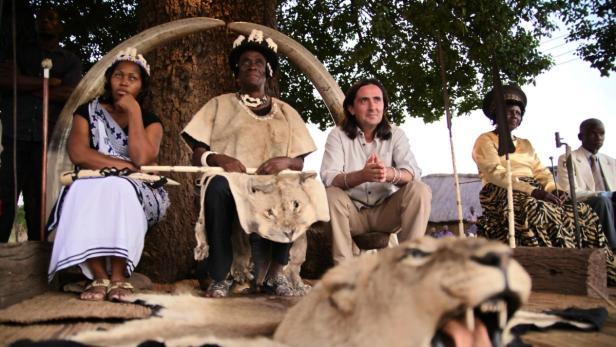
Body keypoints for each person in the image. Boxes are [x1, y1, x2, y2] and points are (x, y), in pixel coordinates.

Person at [181, 30, 319, 298]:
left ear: (268, 72)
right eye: (245, 62)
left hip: (274, 182)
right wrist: (219, 159)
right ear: (237, 73)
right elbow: (197, 154)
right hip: (232, 182)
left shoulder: (287, 112)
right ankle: (220, 277)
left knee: (294, 188)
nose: (252, 65)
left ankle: (277, 274)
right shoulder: (218, 105)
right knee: (217, 186)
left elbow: (299, 163)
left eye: (258, 61)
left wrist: (285, 161)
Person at [47, 48, 170, 301]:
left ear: (142, 86)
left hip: (138, 187)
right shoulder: (87, 112)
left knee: (120, 188)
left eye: (132, 78)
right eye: (118, 75)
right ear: (109, 79)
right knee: (82, 190)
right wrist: (119, 166)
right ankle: (98, 276)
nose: (124, 81)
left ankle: (118, 277)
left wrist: (134, 112)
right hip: (92, 179)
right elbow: (78, 153)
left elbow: (142, 158)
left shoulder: (150, 120)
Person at [472, 85, 615, 284]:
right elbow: (495, 173)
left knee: (581, 211)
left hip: (535, 189)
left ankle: (593, 268)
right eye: (510, 112)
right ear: (497, 114)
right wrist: (533, 191)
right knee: (535, 208)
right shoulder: (485, 140)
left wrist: (552, 189)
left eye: (518, 113)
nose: (515, 116)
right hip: (501, 189)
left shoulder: (526, 144)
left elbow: (541, 172)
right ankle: (557, 269)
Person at [320, 78, 432, 265]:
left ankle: (410, 267)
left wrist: (389, 174)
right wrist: (361, 176)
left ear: (384, 106)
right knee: (331, 194)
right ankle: (345, 271)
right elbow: (329, 177)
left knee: (419, 190)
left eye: (377, 100)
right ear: (351, 109)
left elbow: (413, 172)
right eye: (364, 100)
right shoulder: (337, 135)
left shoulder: (396, 134)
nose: (373, 107)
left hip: (386, 213)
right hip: (353, 214)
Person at [0, 6, 82, 242]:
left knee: (40, 196)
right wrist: (49, 83)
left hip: (48, 139)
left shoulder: (70, 60)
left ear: (60, 26)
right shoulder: (20, 53)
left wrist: (25, 84)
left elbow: (71, 93)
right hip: (16, 134)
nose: (45, 22)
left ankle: (38, 252)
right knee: (6, 192)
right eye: (41, 18)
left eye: (51, 18)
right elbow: (6, 81)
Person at [557, 118, 616, 249]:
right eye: (593, 133)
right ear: (581, 136)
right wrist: (607, 195)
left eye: (602, 133)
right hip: (586, 205)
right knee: (603, 201)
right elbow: (569, 192)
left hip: (610, 203)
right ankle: (612, 251)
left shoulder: (612, 162)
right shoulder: (567, 158)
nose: (599, 137)